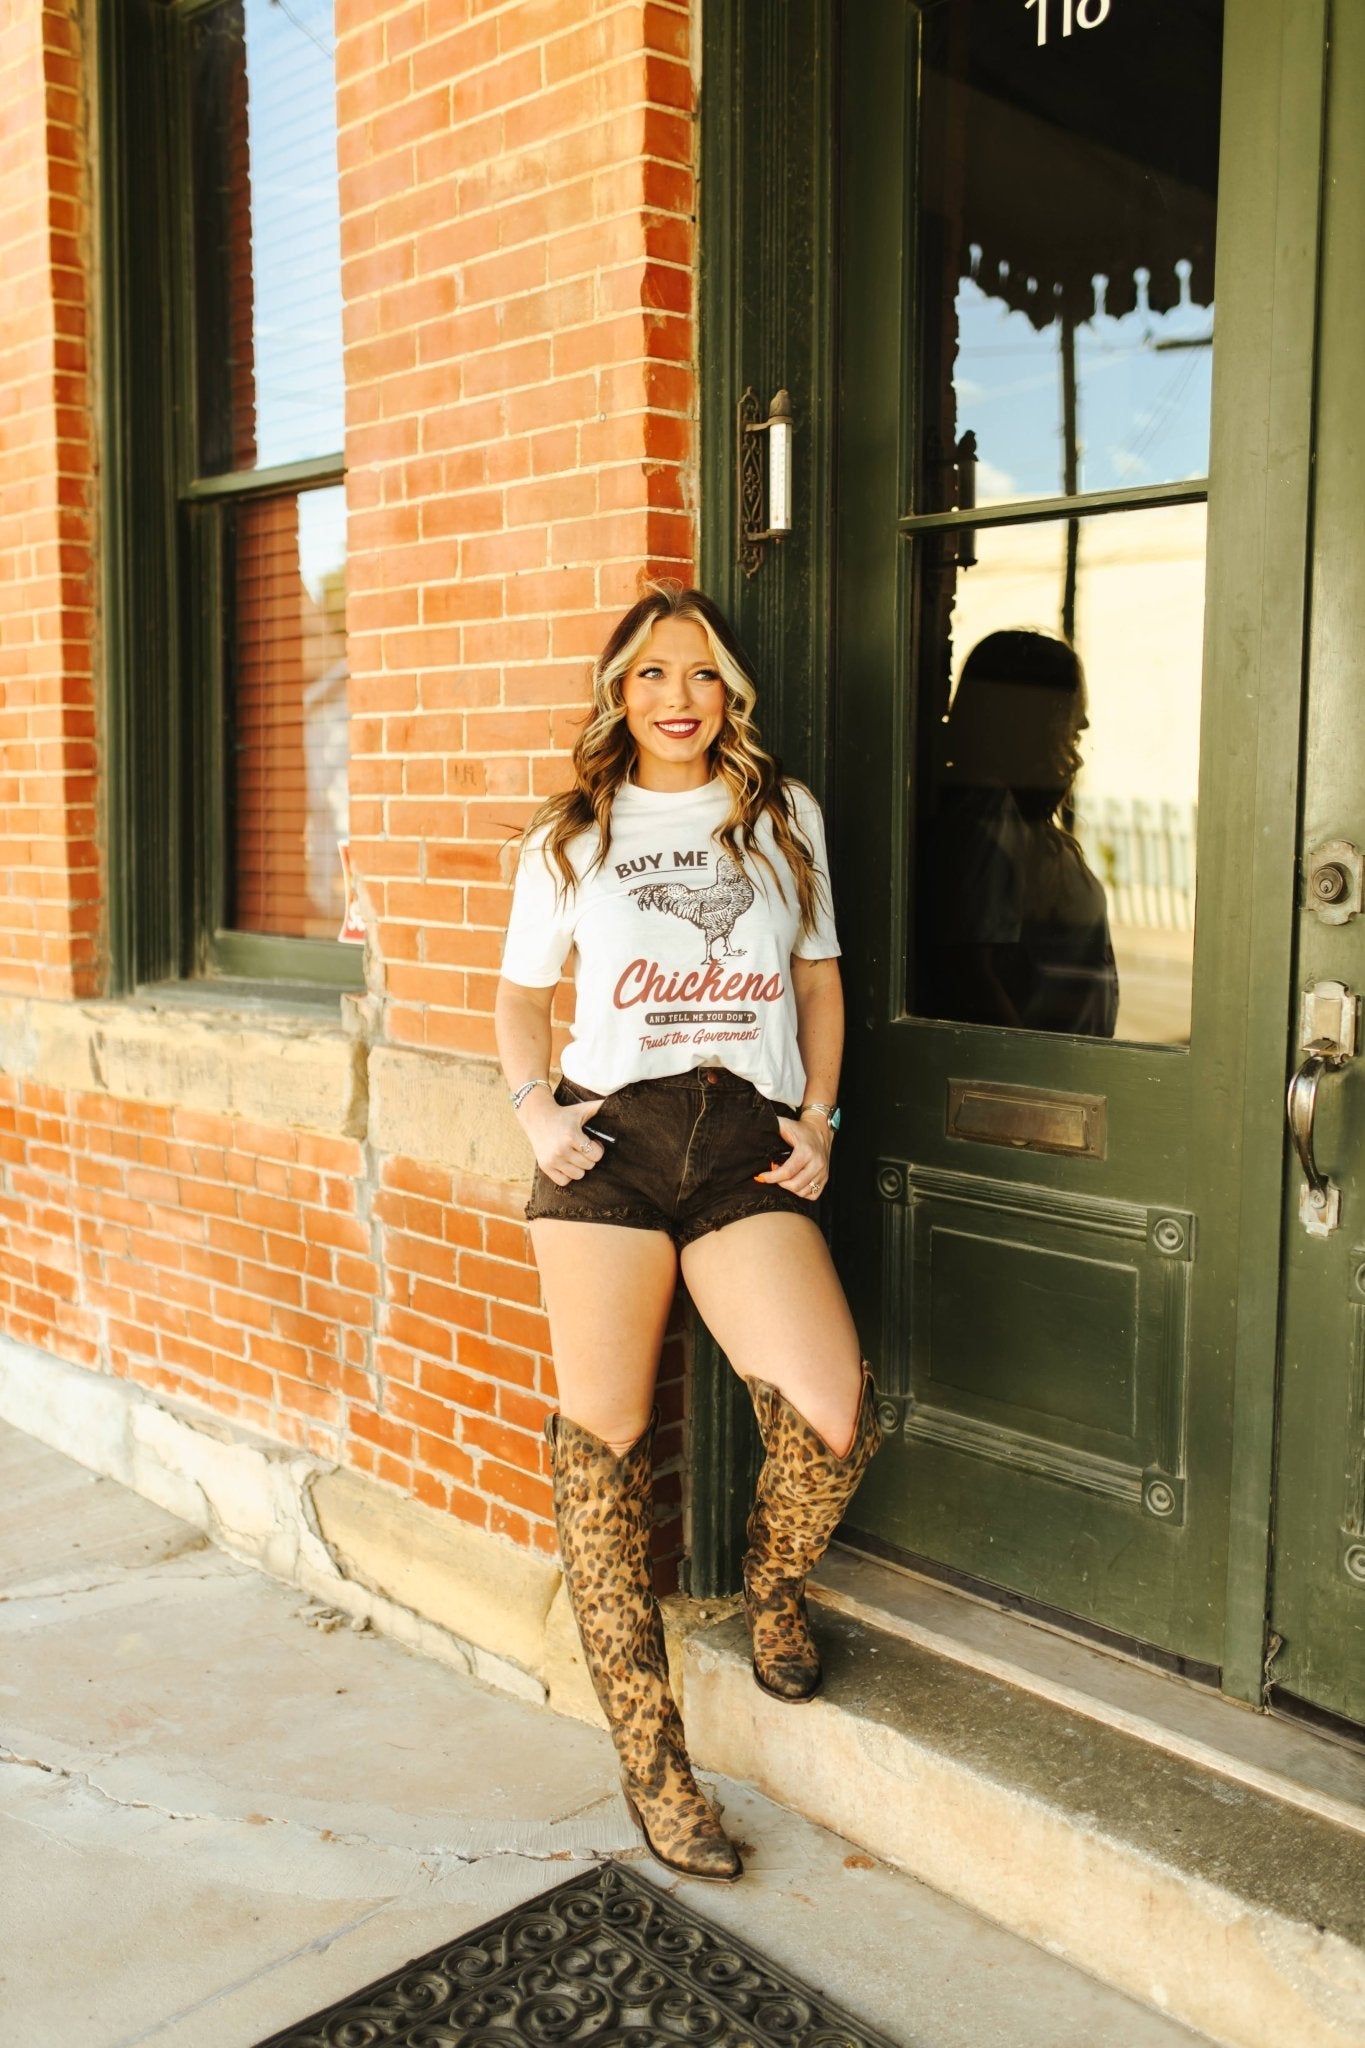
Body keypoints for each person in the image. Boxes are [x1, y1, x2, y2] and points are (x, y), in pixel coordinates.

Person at [494, 584, 880, 1885]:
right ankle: (659, 1775)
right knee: (606, 1449)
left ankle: (771, 1585)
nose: (678, 697)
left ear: (730, 694)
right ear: (621, 692)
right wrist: (533, 1108)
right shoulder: (572, 832)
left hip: (742, 1140)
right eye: (653, 673)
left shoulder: (780, 816)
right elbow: (518, 999)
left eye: (701, 673)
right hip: (611, 1145)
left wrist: (820, 1117)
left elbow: (819, 980)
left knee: (833, 1415)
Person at [925, 628, 1118, 1036]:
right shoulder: (988, 816)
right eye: (1069, 705)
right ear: (1032, 720)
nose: (1082, 721)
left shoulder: (1017, 820)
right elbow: (971, 972)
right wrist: (1028, 1062)